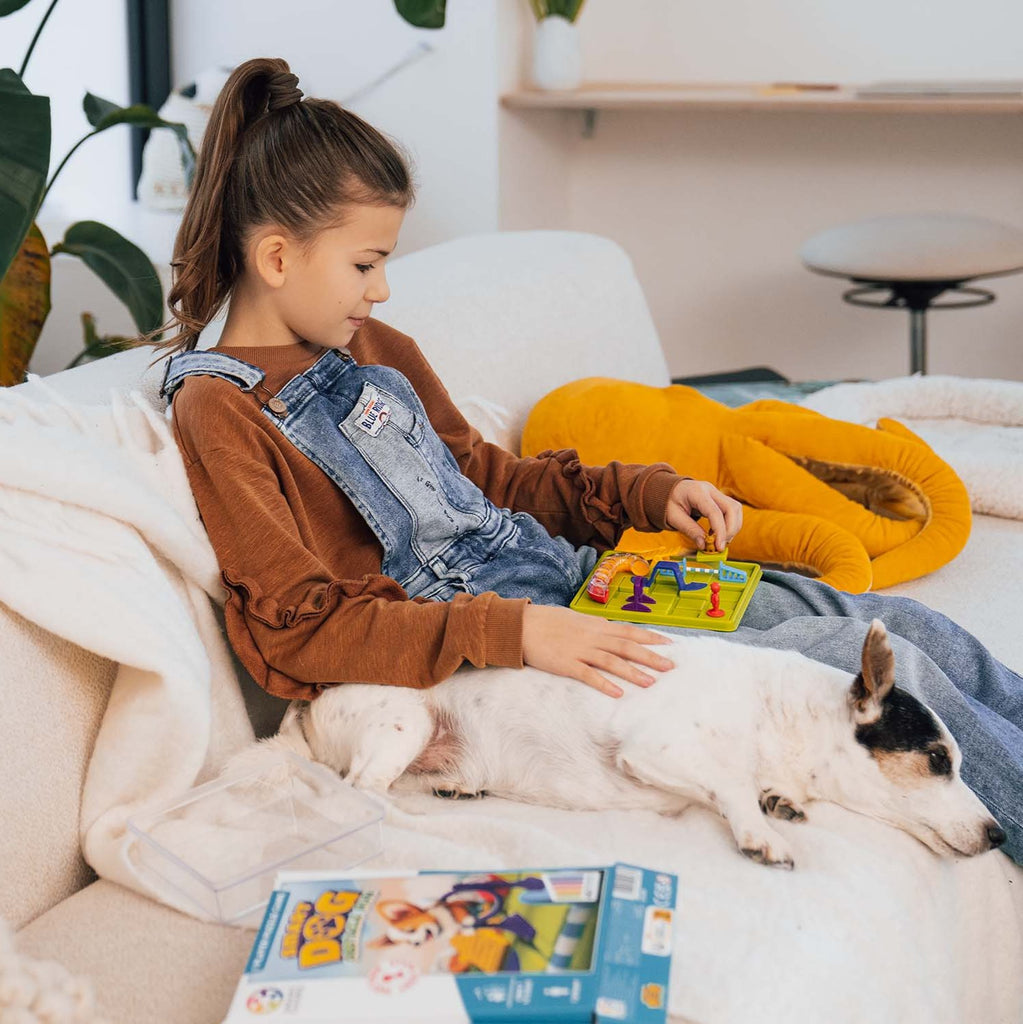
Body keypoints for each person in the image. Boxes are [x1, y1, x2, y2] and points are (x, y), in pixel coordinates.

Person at [134, 57, 1022, 863]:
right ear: (278, 256)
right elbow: (300, 625)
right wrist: (513, 632)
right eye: (367, 263)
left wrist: (646, 492)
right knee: (867, 665)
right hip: (511, 652)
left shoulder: (375, 345)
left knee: (907, 629)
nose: (383, 288)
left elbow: (490, 480)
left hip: (589, 582)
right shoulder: (219, 408)